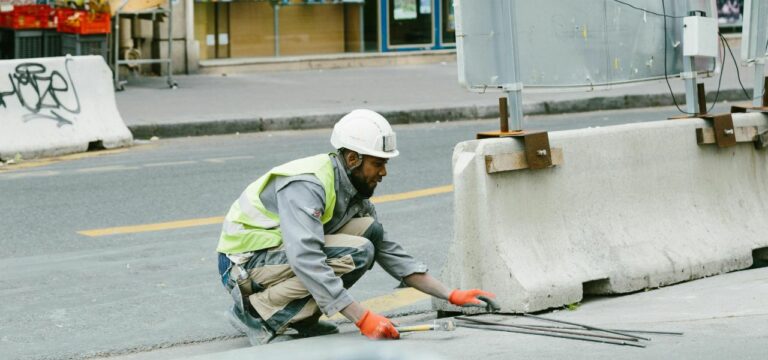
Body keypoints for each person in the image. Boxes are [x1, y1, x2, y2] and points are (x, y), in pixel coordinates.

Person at [216, 109, 496, 345]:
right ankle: (259, 314)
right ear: (353, 159)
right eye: (378, 164)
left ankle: (299, 319)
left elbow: (389, 251)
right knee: (358, 251)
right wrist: (362, 317)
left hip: (273, 259)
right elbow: (306, 258)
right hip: (244, 266)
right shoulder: (308, 185)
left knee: (369, 232)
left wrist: (450, 294)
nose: (384, 172)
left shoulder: (351, 190)